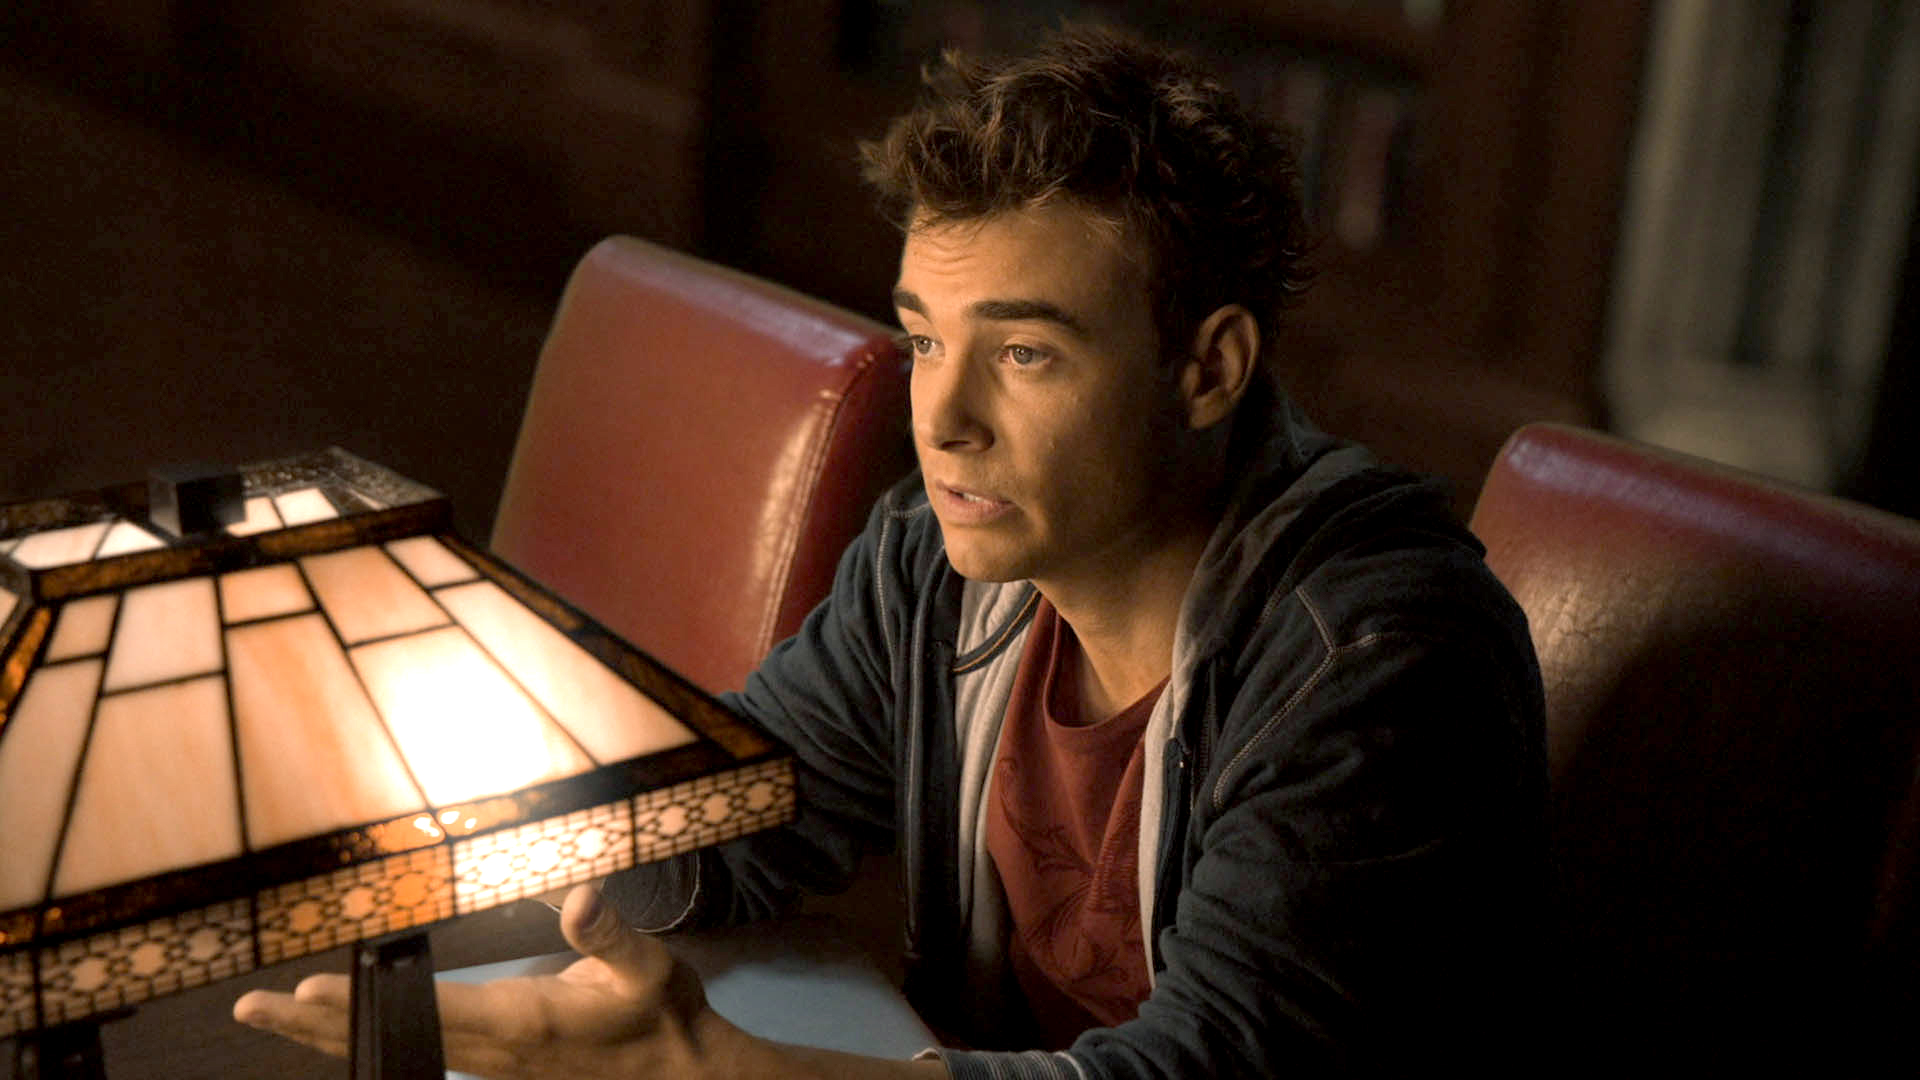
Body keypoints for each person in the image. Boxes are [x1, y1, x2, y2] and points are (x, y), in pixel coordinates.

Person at [236, 23, 1545, 1078]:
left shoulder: (1373, 662)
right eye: (925, 339)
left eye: (1023, 353)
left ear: (1208, 368)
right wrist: (430, 764)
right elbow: (731, 820)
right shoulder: (936, 565)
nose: (944, 420)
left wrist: (719, 1072)